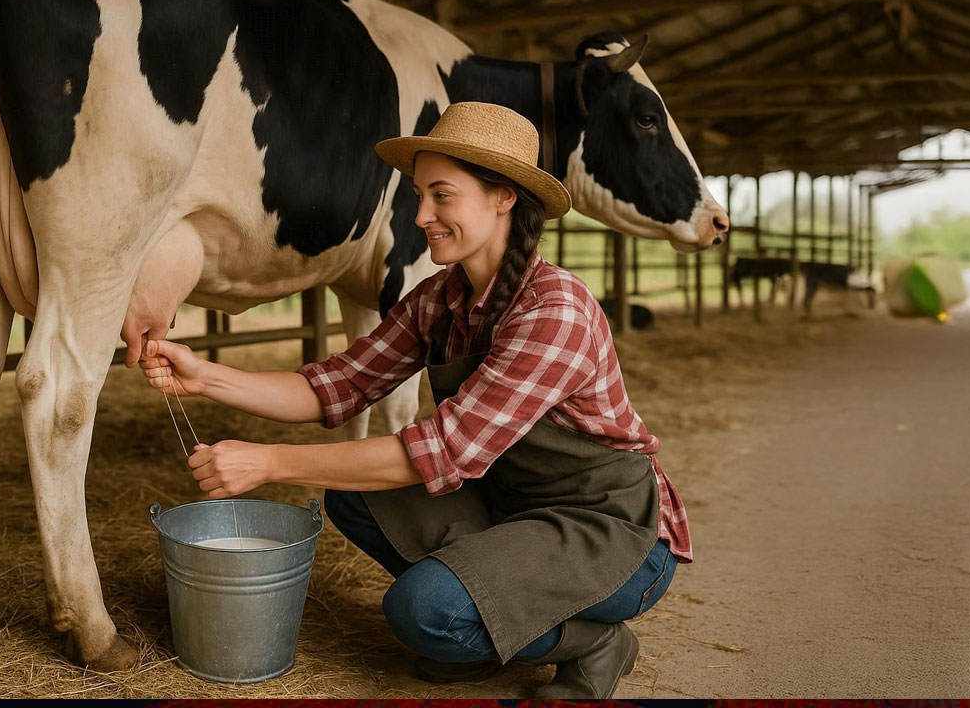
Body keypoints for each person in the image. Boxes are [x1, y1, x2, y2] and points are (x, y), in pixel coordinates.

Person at [139, 102, 692, 699]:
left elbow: (443, 451)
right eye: (419, 195)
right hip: (509, 505)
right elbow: (338, 385)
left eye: (441, 195)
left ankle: (594, 641)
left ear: (503, 197)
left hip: (608, 530)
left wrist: (269, 462)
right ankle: (486, 619)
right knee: (354, 494)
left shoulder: (554, 311)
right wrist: (205, 376)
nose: (421, 215)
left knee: (426, 613)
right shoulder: (439, 298)